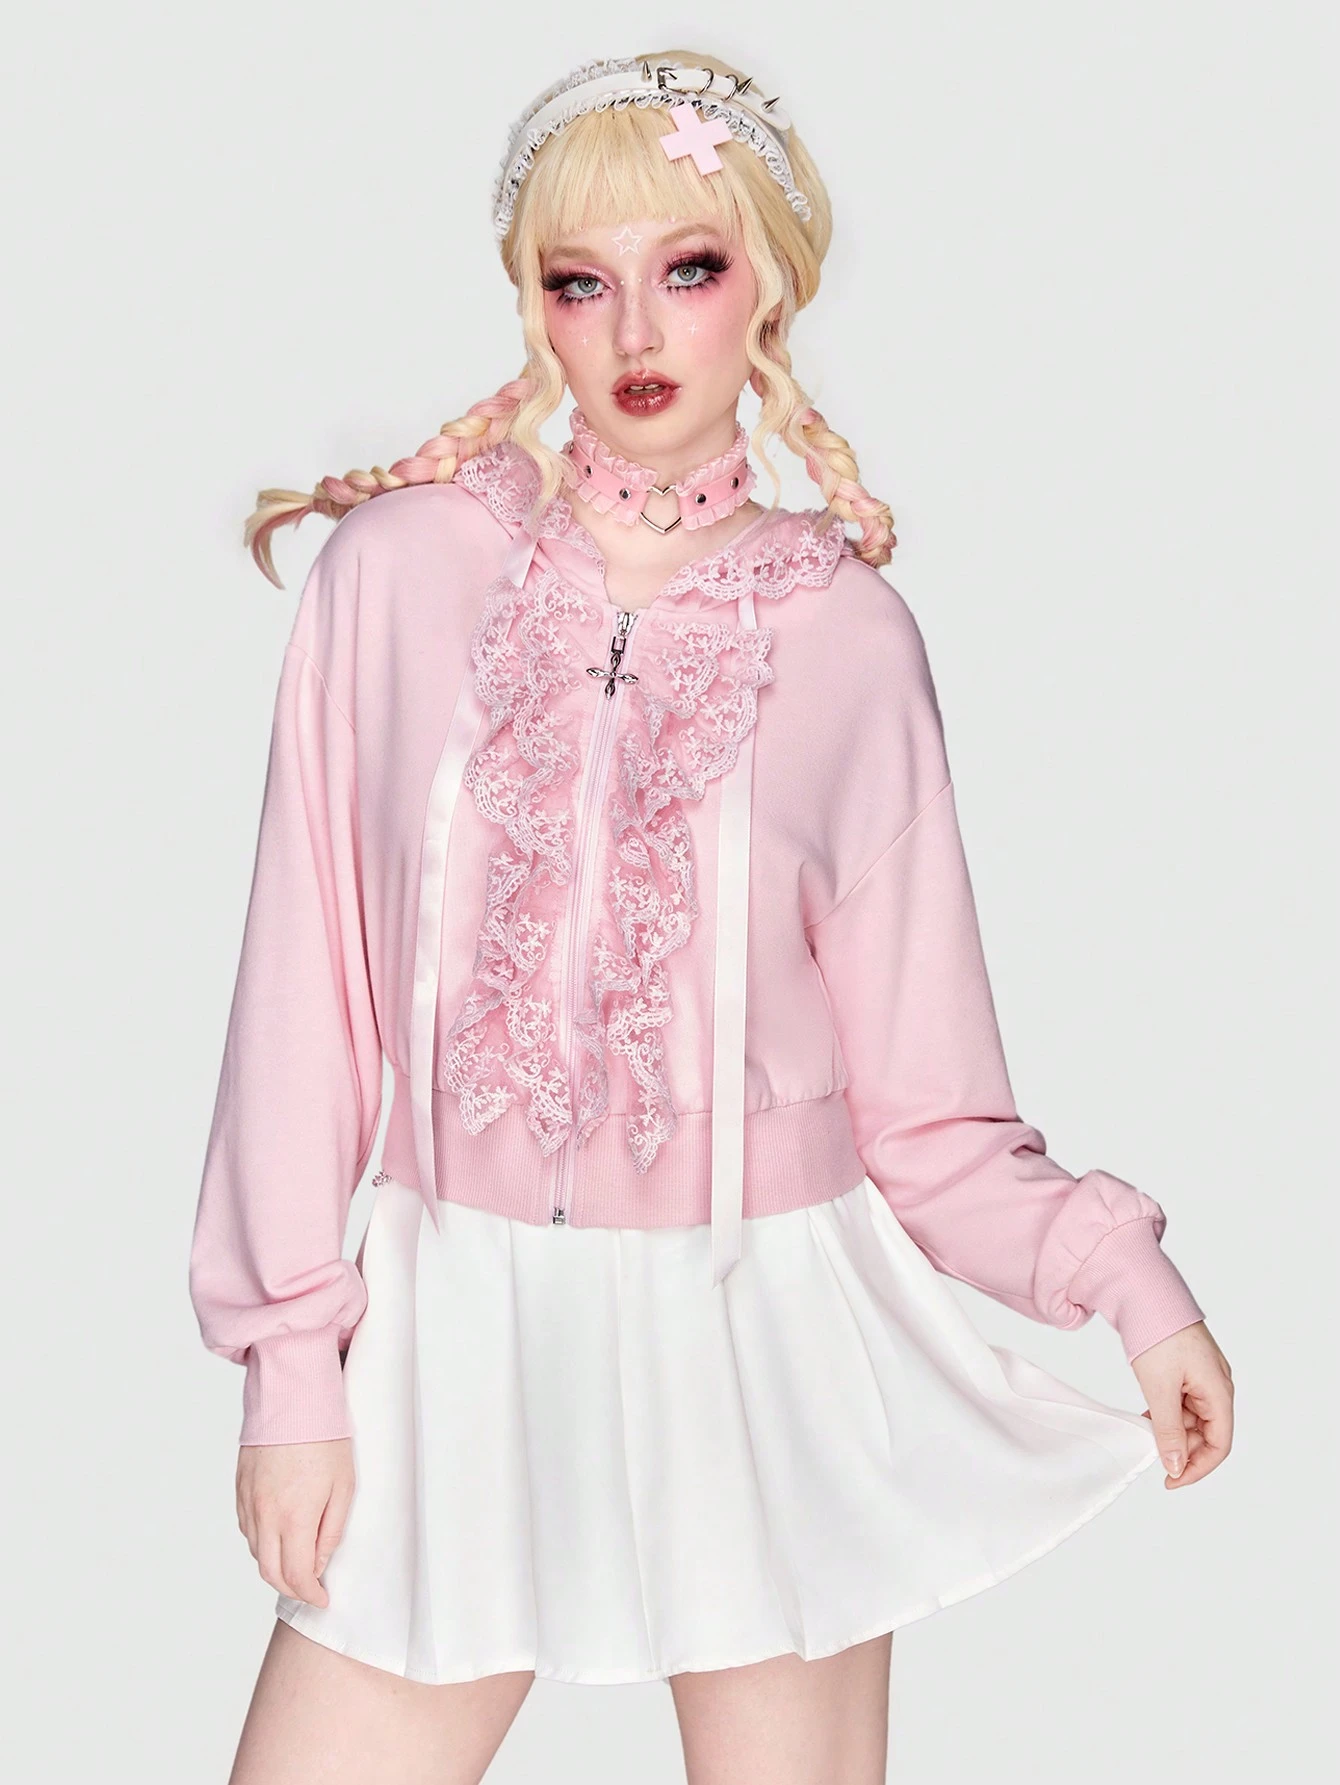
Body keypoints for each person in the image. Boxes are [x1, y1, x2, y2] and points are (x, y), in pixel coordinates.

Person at [189, 48, 1234, 1785]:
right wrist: (291, 1371)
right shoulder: (399, 583)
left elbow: (933, 1112)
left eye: (688, 267)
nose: (634, 331)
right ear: (532, 307)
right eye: (577, 282)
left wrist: (1131, 1283)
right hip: (455, 1337)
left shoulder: (849, 645)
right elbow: (304, 1005)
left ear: (769, 285)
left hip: (760, 1348)